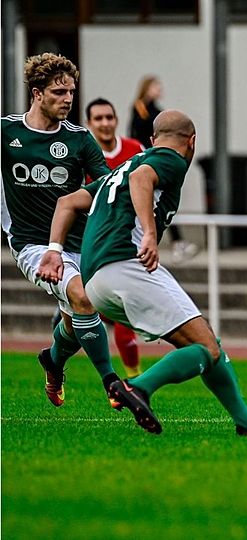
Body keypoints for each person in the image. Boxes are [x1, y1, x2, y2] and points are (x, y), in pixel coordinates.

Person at [38, 110, 247, 437]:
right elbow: (143, 179)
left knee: (206, 344)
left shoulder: (120, 169)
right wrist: (150, 235)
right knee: (206, 349)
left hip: (95, 283)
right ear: (191, 142)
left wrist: (55, 248)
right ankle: (138, 387)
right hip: (127, 266)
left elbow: (67, 201)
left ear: (151, 139)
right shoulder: (171, 159)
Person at [1, 53, 119, 407]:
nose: (68, 99)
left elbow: (104, 185)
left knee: (73, 319)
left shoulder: (80, 139)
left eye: (71, 91)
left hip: (81, 243)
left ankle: (53, 361)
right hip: (33, 245)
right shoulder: (6, 132)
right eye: (58, 92)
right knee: (82, 298)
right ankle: (113, 384)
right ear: (36, 94)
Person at [84, 97, 146, 376]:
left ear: (116, 120)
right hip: (89, 248)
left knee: (125, 311)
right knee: (77, 315)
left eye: (109, 117)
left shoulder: (136, 150)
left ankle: (133, 380)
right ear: (89, 123)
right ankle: (56, 360)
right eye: (98, 118)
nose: (105, 123)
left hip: (125, 245)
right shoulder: (82, 153)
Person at [129, 75, 198, 263]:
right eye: (155, 86)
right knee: (153, 204)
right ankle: (164, 241)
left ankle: (176, 242)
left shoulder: (157, 110)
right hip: (150, 162)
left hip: (158, 162)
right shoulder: (141, 108)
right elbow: (137, 133)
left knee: (163, 204)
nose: (159, 90)